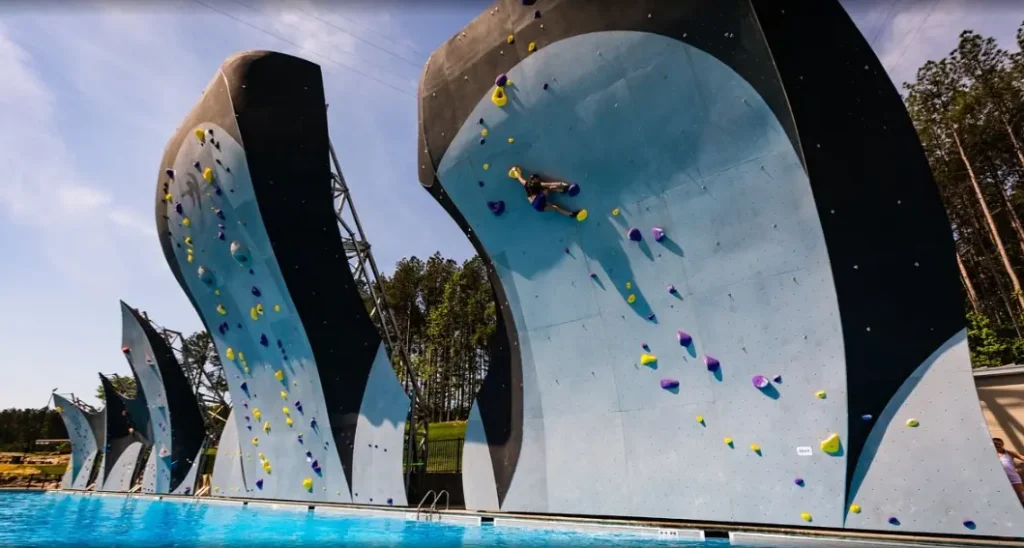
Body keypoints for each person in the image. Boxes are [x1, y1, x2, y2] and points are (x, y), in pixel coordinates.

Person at [513, 167, 580, 218]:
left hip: (537, 207)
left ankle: (571, 214)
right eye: (537, 179)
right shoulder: (539, 184)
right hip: (537, 200)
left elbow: (519, 177)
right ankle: (563, 190)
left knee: (555, 208)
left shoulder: (526, 184)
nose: (539, 179)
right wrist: (566, 185)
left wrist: (515, 170)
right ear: (535, 180)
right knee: (548, 188)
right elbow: (552, 184)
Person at [994, 437, 1024, 504]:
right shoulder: (989, 454)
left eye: (999, 444)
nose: (997, 445)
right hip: (999, 479)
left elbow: (1021, 457)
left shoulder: (1008, 453)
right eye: (995, 444)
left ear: (1002, 444)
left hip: (1013, 478)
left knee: (1022, 496)